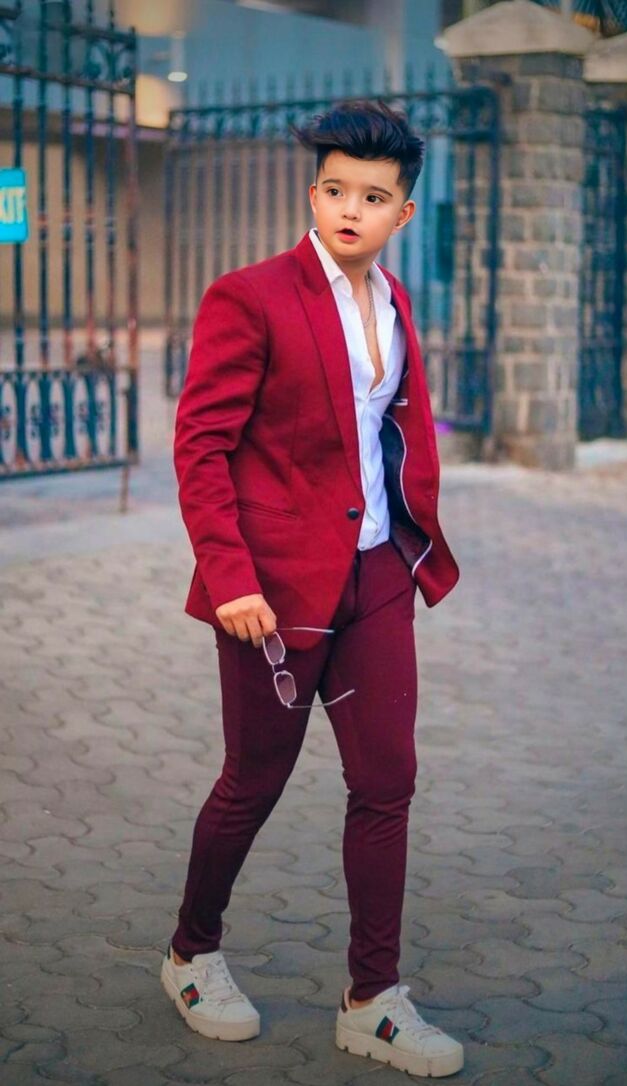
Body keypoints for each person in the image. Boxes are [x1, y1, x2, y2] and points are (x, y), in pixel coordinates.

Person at [160, 98, 463, 1079]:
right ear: (312, 194)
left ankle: (372, 999)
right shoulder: (250, 296)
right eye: (335, 190)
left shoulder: (394, 300)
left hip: (374, 574)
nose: (349, 210)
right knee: (255, 778)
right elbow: (202, 447)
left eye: (371, 197)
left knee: (387, 781)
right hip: (272, 589)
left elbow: (391, 426)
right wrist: (230, 576)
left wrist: (411, 540)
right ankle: (191, 953)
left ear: (401, 213)